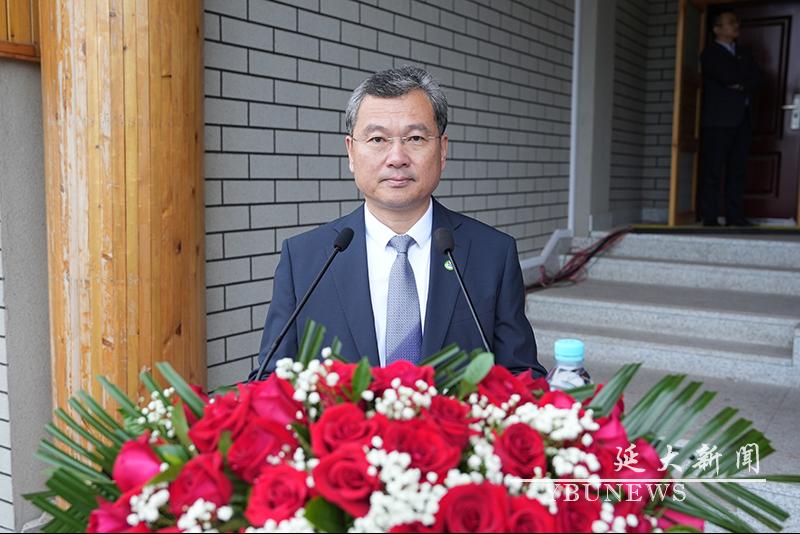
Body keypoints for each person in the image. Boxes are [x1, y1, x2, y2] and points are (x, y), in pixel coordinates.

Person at [250, 66, 545, 379]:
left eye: (415, 138)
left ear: (442, 150)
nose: (396, 157)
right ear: (351, 152)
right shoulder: (305, 260)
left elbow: (522, 377)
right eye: (377, 139)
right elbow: (272, 379)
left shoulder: (492, 254)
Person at [699, 10, 761, 227]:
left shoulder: (744, 53)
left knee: (737, 170)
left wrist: (739, 85)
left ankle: (735, 217)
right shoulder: (710, 53)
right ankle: (710, 217)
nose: (736, 25)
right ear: (717, 29)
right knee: (713, 169)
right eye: (730, 22)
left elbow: (757, 79)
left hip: (743, 119)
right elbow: (727, 76)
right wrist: (741, 81)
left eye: (737, 21)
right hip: (718, 120)